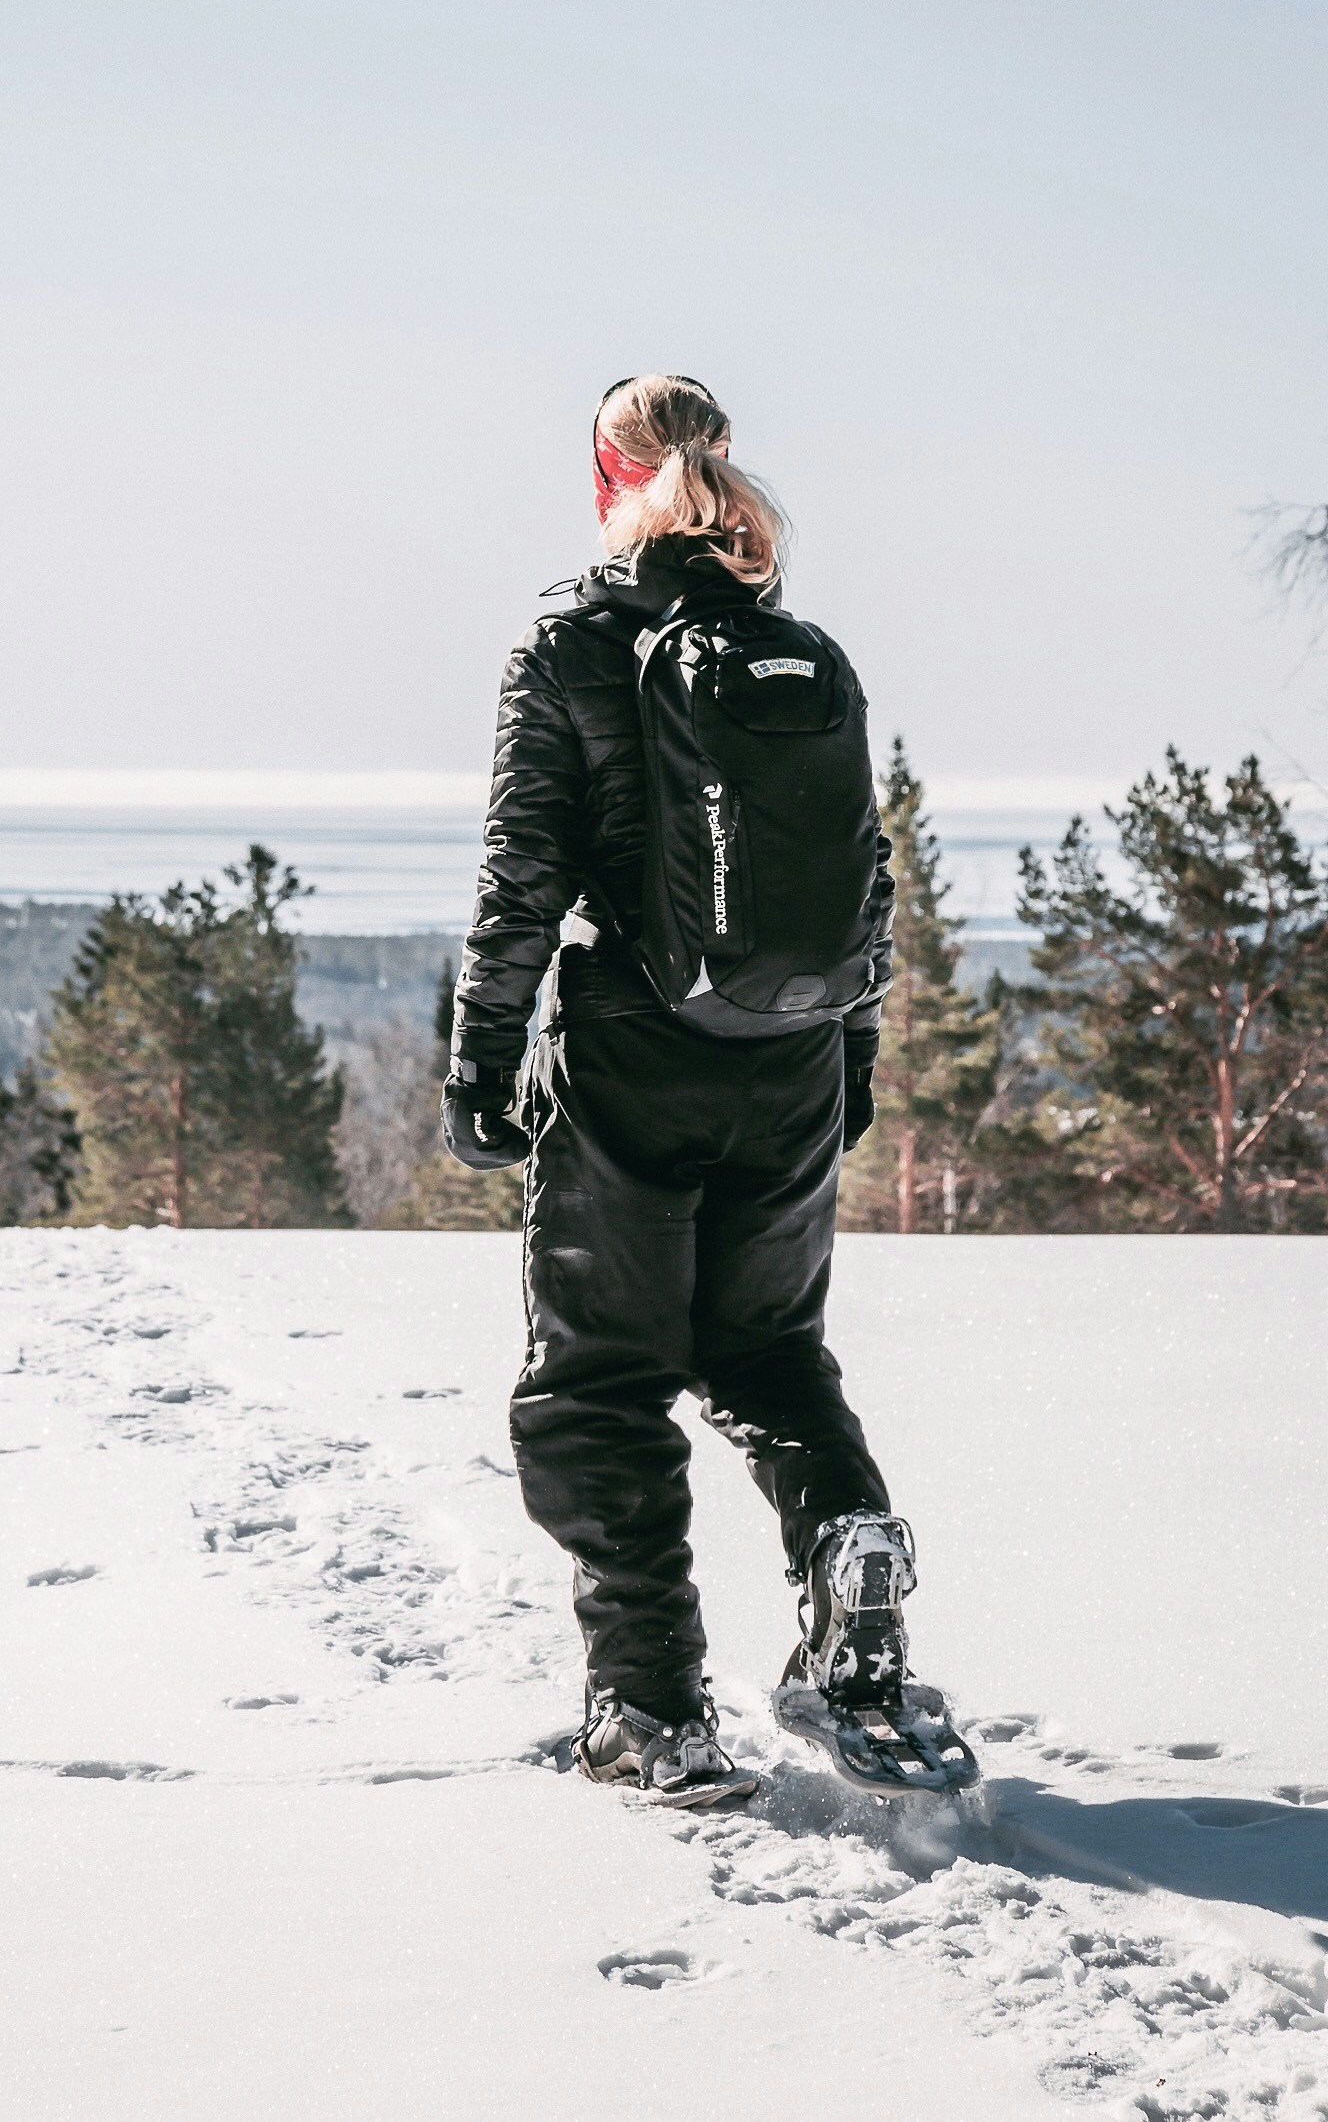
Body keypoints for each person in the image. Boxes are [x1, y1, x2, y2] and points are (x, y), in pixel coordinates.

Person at [444, 372, 929, 1803]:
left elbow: (522, 872)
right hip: (786, 1066)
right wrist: (846, 1057)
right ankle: (850, 1550)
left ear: (611, 483)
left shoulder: (573, 647)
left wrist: (480, 1056)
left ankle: (650, 1709)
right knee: (772, 1358)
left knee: (598, 1389)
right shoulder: (794, 650)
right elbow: (868, 881)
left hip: (629, 1071)